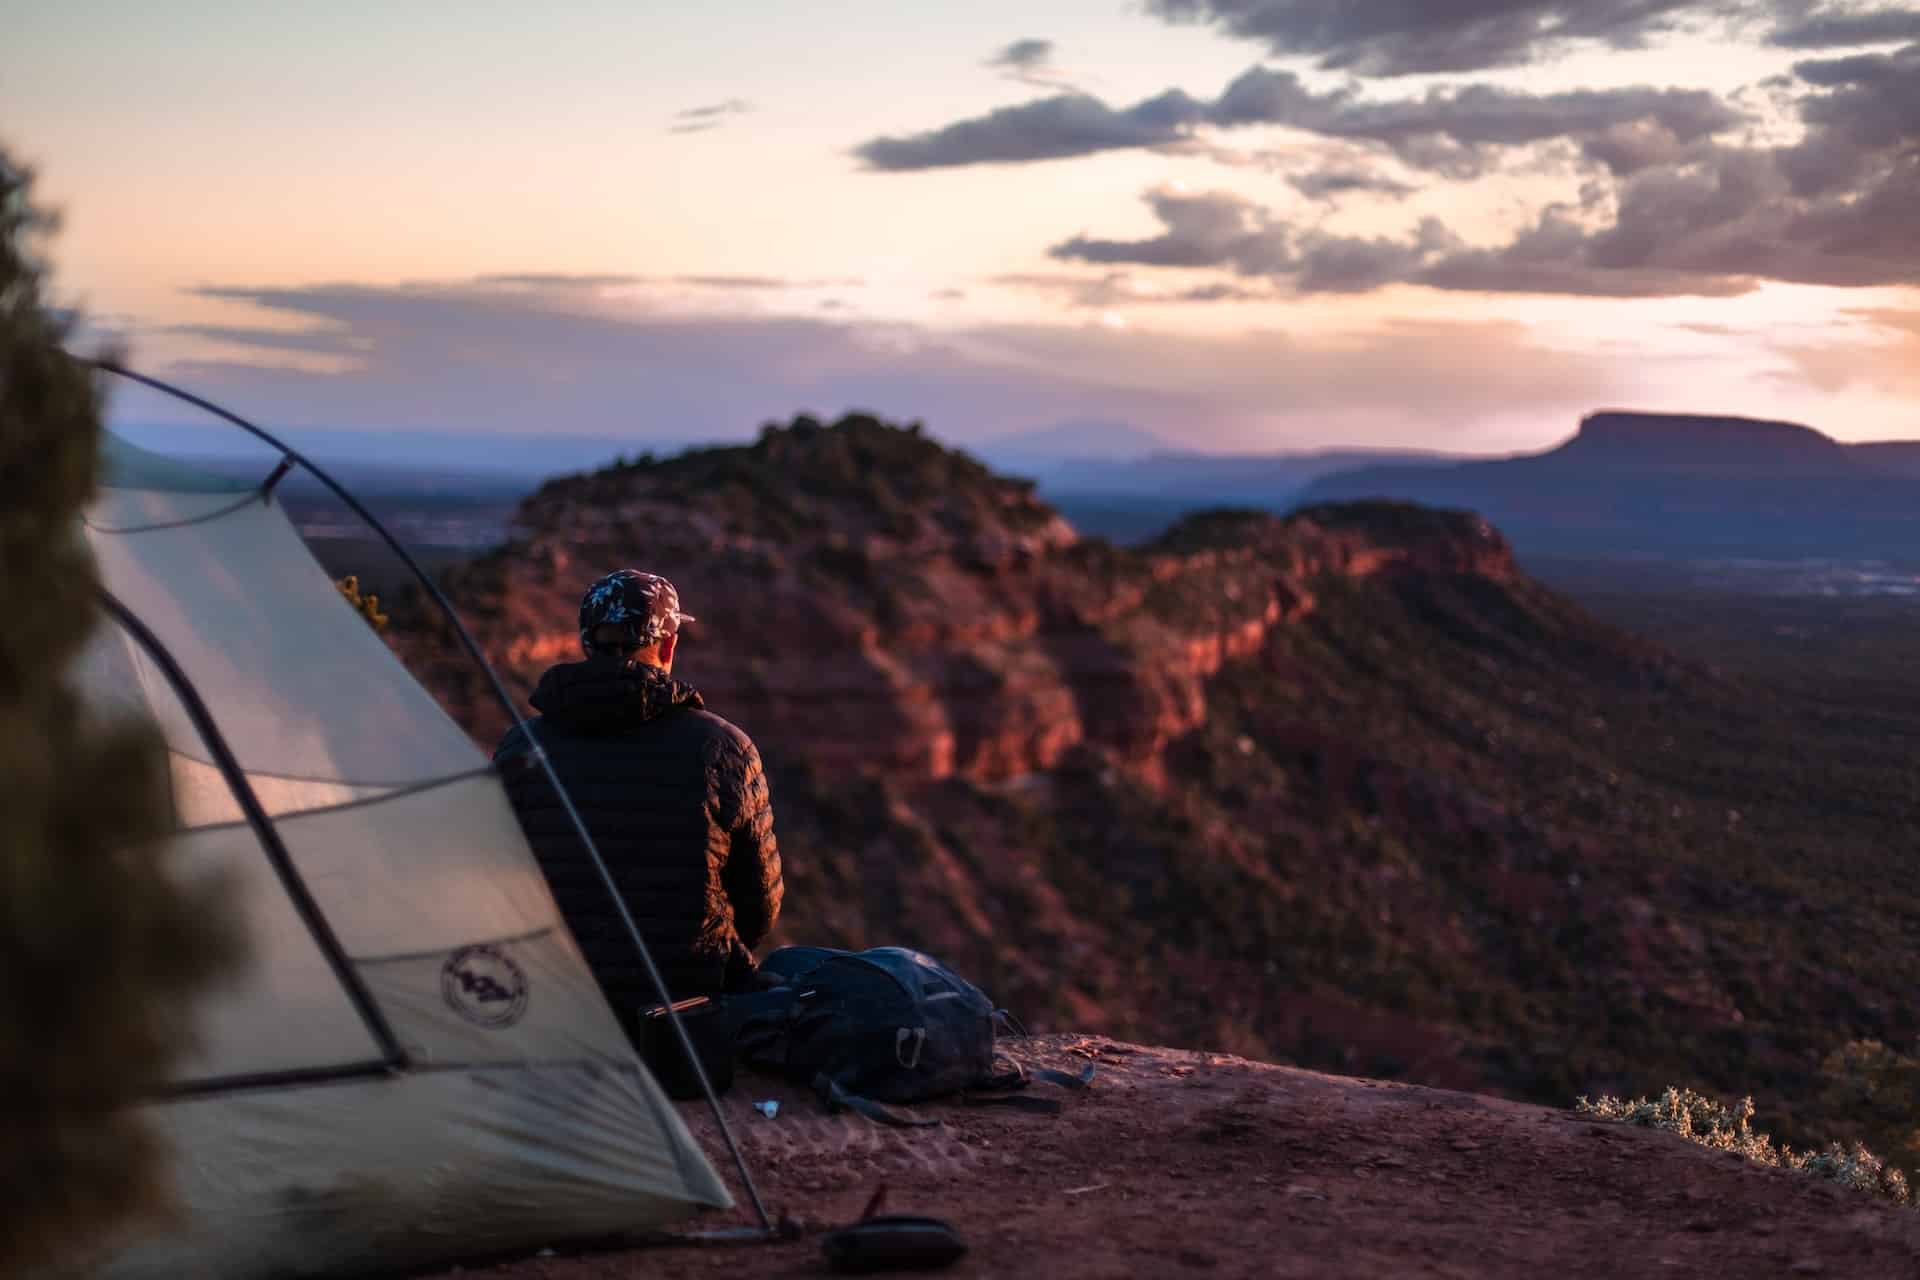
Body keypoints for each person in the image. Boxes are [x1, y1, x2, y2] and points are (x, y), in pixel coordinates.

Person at [494, 569, 782, 1016]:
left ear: (586, 644)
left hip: (552, 1002)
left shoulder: (521, 747)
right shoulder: (723, 748)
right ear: (668, 646)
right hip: (685, 1013)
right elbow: (759, 907)